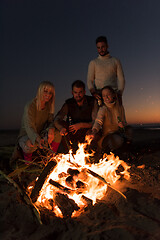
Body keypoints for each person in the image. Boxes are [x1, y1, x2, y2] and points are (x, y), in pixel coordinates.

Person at [10, 81, 55, 164]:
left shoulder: (49, 106)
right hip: (27, 134)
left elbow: (51, 121)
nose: (48, 95)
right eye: (45, 91)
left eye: (50, 93)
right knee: (31, 144)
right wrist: (37, 139)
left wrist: (51, 129)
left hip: (40, 133)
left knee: (55, 134)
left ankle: (50, 159)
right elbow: (29, 127)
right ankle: (28, 162)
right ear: (40, 91)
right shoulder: (30, 106)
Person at [53, 80, 98, 153]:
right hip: (73, 131)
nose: (78, 95)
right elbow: (57, 119)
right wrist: (61, 128)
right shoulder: (68, 103)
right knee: (63, 126)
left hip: (87, 130)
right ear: (72, 93)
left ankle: (91, 154)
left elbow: (95, 122)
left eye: (80, 92)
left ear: (84, 92)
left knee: (94, 133)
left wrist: (81, 125)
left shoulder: (92, 102)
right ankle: (69, 152)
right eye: (75, 92)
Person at [89, 86, 132, 156]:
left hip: (119, 133)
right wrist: (94, 130)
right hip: (107, 137)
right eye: (104, 96)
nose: (106, 97)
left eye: (108, 94)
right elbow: (98, 122)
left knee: (130, 130)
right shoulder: (103, 109)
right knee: (117, 139)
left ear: (113, 95)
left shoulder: (120, 107)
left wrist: (123, 124)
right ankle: (108, 154)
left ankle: (125, 151)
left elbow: (124, 121)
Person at [87, 36, 125, 104]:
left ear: (107, 46)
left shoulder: (115, 61)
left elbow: (121, 79)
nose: (101, 49)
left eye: (103, 47)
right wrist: (93, 92)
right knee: (99, 114)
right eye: (98, 48)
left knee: (118, 114)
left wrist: (120, 93)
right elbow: (90, 80)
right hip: (99, 95)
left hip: (113, 95)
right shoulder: (93, 63)